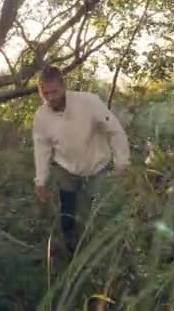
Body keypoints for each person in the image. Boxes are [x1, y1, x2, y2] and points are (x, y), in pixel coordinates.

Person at [32, 66, 130, 255]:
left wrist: (122, 164)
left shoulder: (88, 102)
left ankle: (101, 252)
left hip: (97, 166)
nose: (51, 97)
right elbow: (42, 148)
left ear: (64, 86)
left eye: (55, 92)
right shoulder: (41, 116)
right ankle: (72, 251)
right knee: (67, 212)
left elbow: (115, 131)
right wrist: (40, 180)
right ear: (40, 91)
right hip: (66, 167)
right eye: (45, 93)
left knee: (98, 211)